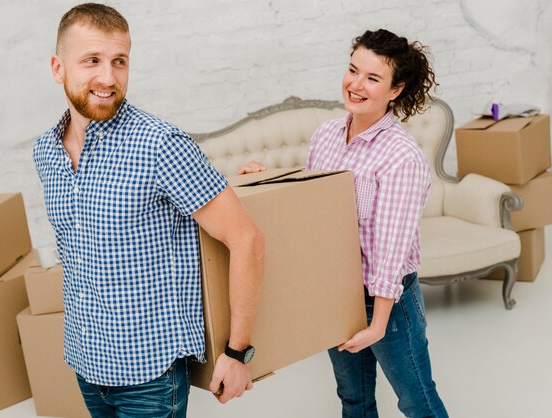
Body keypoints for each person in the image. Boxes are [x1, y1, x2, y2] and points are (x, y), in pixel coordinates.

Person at [33, 3, 264, 417]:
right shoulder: (45, 152)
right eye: (92, 61)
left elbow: (246, 239)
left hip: (150, 376)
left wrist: (237, 352)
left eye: (119, 61)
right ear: (57, 67)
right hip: (86, 362)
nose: (108, 78)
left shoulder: (160, 145)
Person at [241, 29, 448, 417]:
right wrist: (264, 180)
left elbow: (390, 251)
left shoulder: (402, 157)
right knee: (354, 400)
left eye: (372, 78)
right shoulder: (326, 136)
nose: (355, 84)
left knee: (417, 400)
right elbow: (314, 208)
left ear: (395, 90)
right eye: (353, 70)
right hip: (337, 295)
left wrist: (378, 321)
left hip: (388, 301)